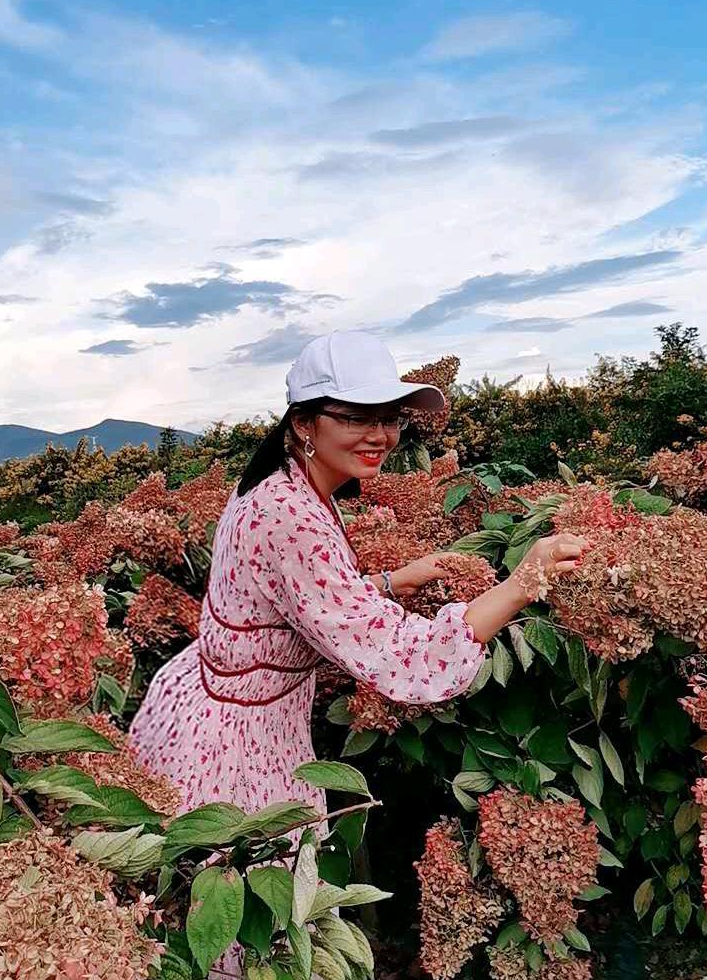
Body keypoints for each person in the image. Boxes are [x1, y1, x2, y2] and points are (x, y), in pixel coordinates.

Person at [128, 330, 587, 818]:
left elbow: (289, 604)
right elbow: (404, 655)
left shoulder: (281, 481)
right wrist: (522, 583)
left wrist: (390, 583)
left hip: (213, 702)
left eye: (389, 418)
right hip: (236, 745)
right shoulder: (290, 515)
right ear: (303, 422)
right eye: (356, 417)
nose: (379, 436)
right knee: (246, 865)